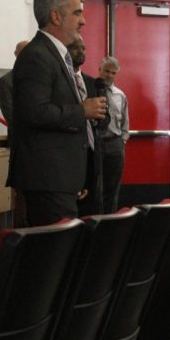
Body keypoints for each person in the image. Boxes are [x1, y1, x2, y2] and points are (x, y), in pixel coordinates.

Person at [6, 0, 106, 227]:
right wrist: (81, 110)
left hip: (60, 179)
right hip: (47, 179)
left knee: (62, 254)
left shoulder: (55, 54)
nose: (83, 21)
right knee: (53, 256)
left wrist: (76, 177)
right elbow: (34, 112)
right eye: (77, 12)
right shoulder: (37, 56)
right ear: (56, 16)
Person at [67, 36, 103, 216]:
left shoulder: (92, 82)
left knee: (90, 212)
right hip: (71, 151)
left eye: (84, 48)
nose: (81, 51)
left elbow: (106, 118)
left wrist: (98, 117)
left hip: (91, 151)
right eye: (75, 47)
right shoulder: (64, 81)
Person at [98, 56, 129, 214]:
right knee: (96, 186)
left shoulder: (120, 95)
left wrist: (122, 141)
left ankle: (110, 222)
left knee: (113, 187)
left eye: (113, 72)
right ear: (100, 70)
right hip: (96, 144)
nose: (109, 75)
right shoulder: (89, 92)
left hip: (115, 144)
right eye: (107, 71)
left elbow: (125, 122)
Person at [0, 39, 28, 140]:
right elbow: (11, 116)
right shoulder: (6, 81)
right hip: (21, 141)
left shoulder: (43, 76)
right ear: (16, 54)